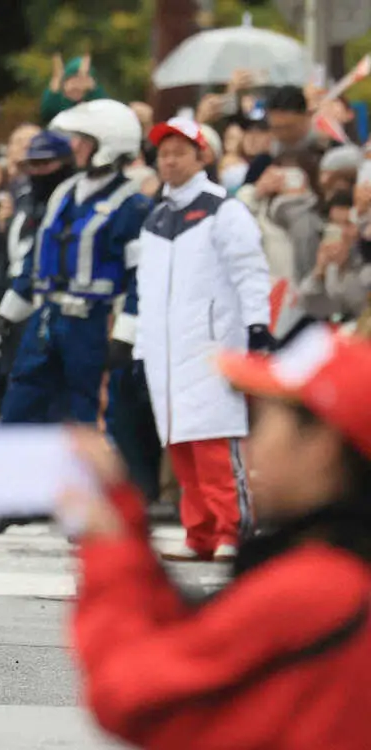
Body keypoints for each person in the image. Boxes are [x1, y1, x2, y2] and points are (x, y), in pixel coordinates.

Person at [61, 325, 371, 749]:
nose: (247, 445)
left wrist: (107, 551)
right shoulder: (340, 576)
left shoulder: (317, 588)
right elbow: (196, 645)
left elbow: (131, 695)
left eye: (260, 422)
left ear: (322, 445)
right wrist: (123, 519)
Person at [0, 100, 152, 536]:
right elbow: (36, 261)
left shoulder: (131, 204)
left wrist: (128, 332)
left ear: (108, 146)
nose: (73, 147)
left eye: (83, 140)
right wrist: (7, 314)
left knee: (90, 416)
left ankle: (92, 505)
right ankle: (14, 498)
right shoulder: (63, 193)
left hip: (94, 322)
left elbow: (141, 276)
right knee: (21, 404)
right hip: (45, 317)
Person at [132, 118, 273, 562]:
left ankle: (234, 530)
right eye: (163, 153)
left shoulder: (223, 209)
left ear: (201, 156)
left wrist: (257, 326)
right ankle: (200, 533)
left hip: (212, 347)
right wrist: (140, 346)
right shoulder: (156, 217)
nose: (169, 160)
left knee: (215, 445)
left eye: (179, 152)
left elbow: (251, 271)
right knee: (181, 447)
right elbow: (147, 289)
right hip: (166, 353)